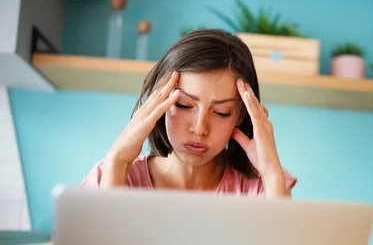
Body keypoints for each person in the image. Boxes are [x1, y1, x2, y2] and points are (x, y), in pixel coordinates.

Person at [80, 29, 296, 198]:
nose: (199, 129)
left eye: (221, 112)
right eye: (184, 105)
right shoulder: (108, 173)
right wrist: (118, 161)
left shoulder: (264, 188)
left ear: (241, 116)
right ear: (159, 102)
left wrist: (271, 174)